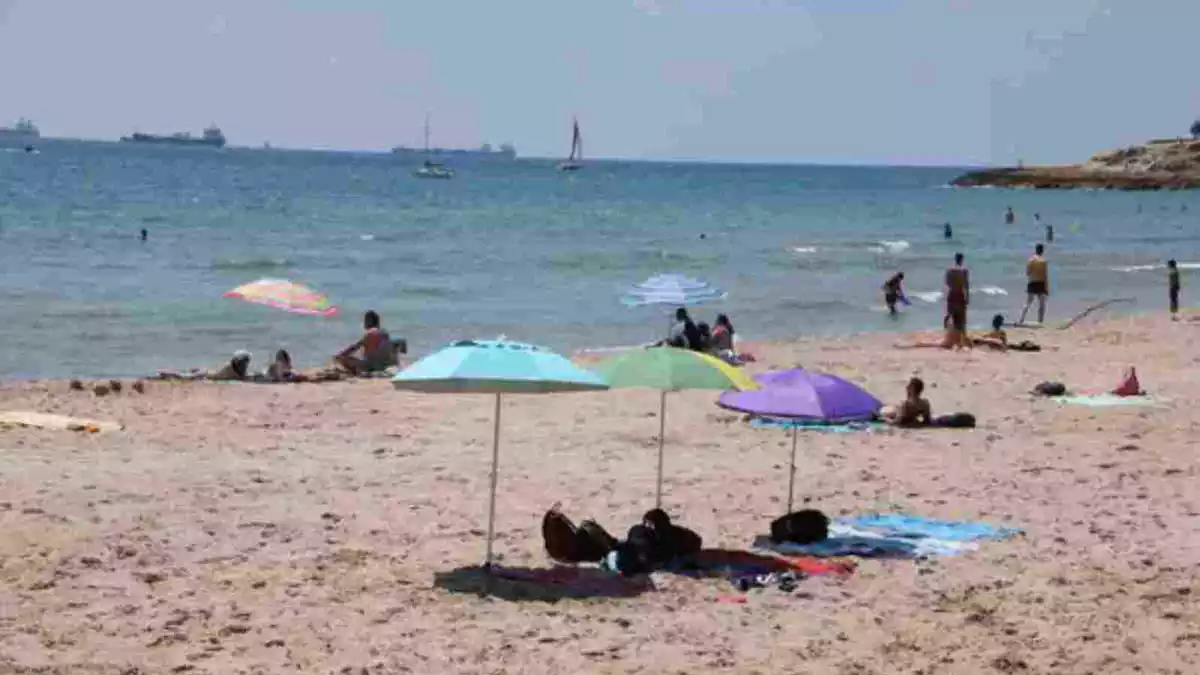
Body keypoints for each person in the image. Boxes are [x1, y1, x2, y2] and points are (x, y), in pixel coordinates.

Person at [335, 310, 403, 374]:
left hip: (371, 366)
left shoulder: (369, 333)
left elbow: (354, 348)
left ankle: (355, 372)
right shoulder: (384, 333)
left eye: (365, 321)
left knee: (342, 358)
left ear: (368, 321)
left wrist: (340, 355)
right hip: (385, 364)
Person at [156, 351, 252, 381]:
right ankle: (165, 373)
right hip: (205, 374)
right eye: (245, 362)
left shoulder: (235, 369)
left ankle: (166, 373)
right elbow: (241, 377)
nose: (246, 365)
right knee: (185, 377)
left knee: (186, 375)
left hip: (207, 372)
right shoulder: (231, 369)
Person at [1018, 244, 1049, 325]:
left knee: (1028, 303)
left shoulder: (1030, 260)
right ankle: (1040, 321)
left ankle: (1021, 320)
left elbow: (1028, 273)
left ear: (1035, 250)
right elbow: (1045, 275)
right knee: (1042, 304)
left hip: (1032, 282)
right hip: (1041, 283)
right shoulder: (1043, 261)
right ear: (1042, 251)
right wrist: (1046, 287)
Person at [945, 253, 970, 348]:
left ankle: (950, 339)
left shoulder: (950, 270)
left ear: (955, 259)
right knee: (962, 319)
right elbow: (966, 285)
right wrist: (967, 297)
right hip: (960, 295)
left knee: (951, 317)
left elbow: (947, 283)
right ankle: (961, 340)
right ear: (962, 259)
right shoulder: (964, 271)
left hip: (951, 294)